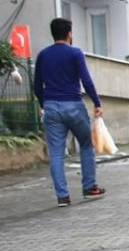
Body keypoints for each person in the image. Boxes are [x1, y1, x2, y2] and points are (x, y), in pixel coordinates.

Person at [33, 18, 107, 207]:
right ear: (69, 34)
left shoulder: (43, 55)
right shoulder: (75, 53)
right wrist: (97, 102)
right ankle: (89, 187)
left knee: (56, 153)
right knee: (86, 143)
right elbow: (86, 80)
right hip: (73, 105)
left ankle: (63, 196)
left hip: (51, 107)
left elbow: (36, 85)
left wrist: (44, 103)